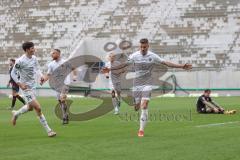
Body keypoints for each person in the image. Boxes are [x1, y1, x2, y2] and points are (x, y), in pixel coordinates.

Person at [102, 38, 192, 137]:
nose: (142, 48)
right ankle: (136, 104)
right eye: (141, 47)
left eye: (144, 47)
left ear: (148, 46)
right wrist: (110, 68)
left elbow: (166, 63)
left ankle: (141, 130)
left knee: (144, 105)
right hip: (137, 83)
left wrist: (181, 66)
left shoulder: (153, 56)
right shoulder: (135, 56)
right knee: (136, 107)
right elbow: (123, 64)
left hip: (148, 82)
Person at [11, 41, 56, 137]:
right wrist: (20, 84)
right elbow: (13, 73)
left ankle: (16, 114)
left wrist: (41, 76)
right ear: (27, 50)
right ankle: (49, 130)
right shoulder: (20, 61)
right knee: (38, 108)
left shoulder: (34, 58)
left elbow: (37, 68)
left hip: (33, 86)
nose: (34, 49)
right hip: (26, 87)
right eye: (32, 48)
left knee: (30, 107)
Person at [40, 49, 77, 124]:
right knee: (60, 101)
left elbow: (74, 68)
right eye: (51, 53)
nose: (52, 55)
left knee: (62, 99)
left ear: (58, 54)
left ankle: (64, 116)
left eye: (53, 53)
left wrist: (75, 76)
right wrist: (43, 80)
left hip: (65, 83)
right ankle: (65, 114)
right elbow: (49, 74)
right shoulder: (51, 64)